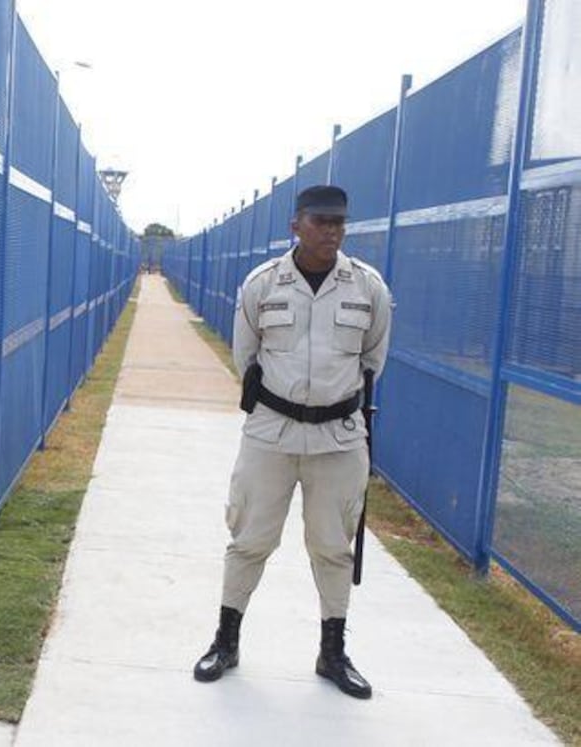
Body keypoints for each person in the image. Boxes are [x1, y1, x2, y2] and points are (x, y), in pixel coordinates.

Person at [192, 185, 393, 699]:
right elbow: (247, 356)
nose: (333, 231)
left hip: (339, 438)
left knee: (332, 546)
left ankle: (332, 653)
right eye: (322, 221)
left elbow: (372, 361)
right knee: (250, 537)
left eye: (340, 223)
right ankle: (226, 640)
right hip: (271, 434)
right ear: (296, 224)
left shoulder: (368, 288)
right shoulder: (263, 284)